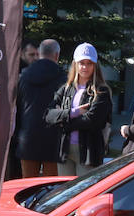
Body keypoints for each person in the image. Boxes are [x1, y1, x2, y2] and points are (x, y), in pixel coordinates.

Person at [45, 42, 113, 177]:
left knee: (85, 194)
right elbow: (48, 115)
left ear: (95, 65)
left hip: (88, 151)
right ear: (75, 64)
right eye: (81, 62)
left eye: (89, 63)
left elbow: (92, 121)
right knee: (65, 192)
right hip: (65, 150)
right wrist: (72, 112)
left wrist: (63, 122)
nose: (85, 67)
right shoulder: (66, 88)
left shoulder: (101, 91)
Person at [15, 39, 66, 177]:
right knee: (52, 190)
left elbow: (17, 109)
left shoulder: (23, 76)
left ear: (39, 53)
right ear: (57, 55)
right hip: (53, 141)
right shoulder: (64, 78)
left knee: (27, 187)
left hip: (27, 138)